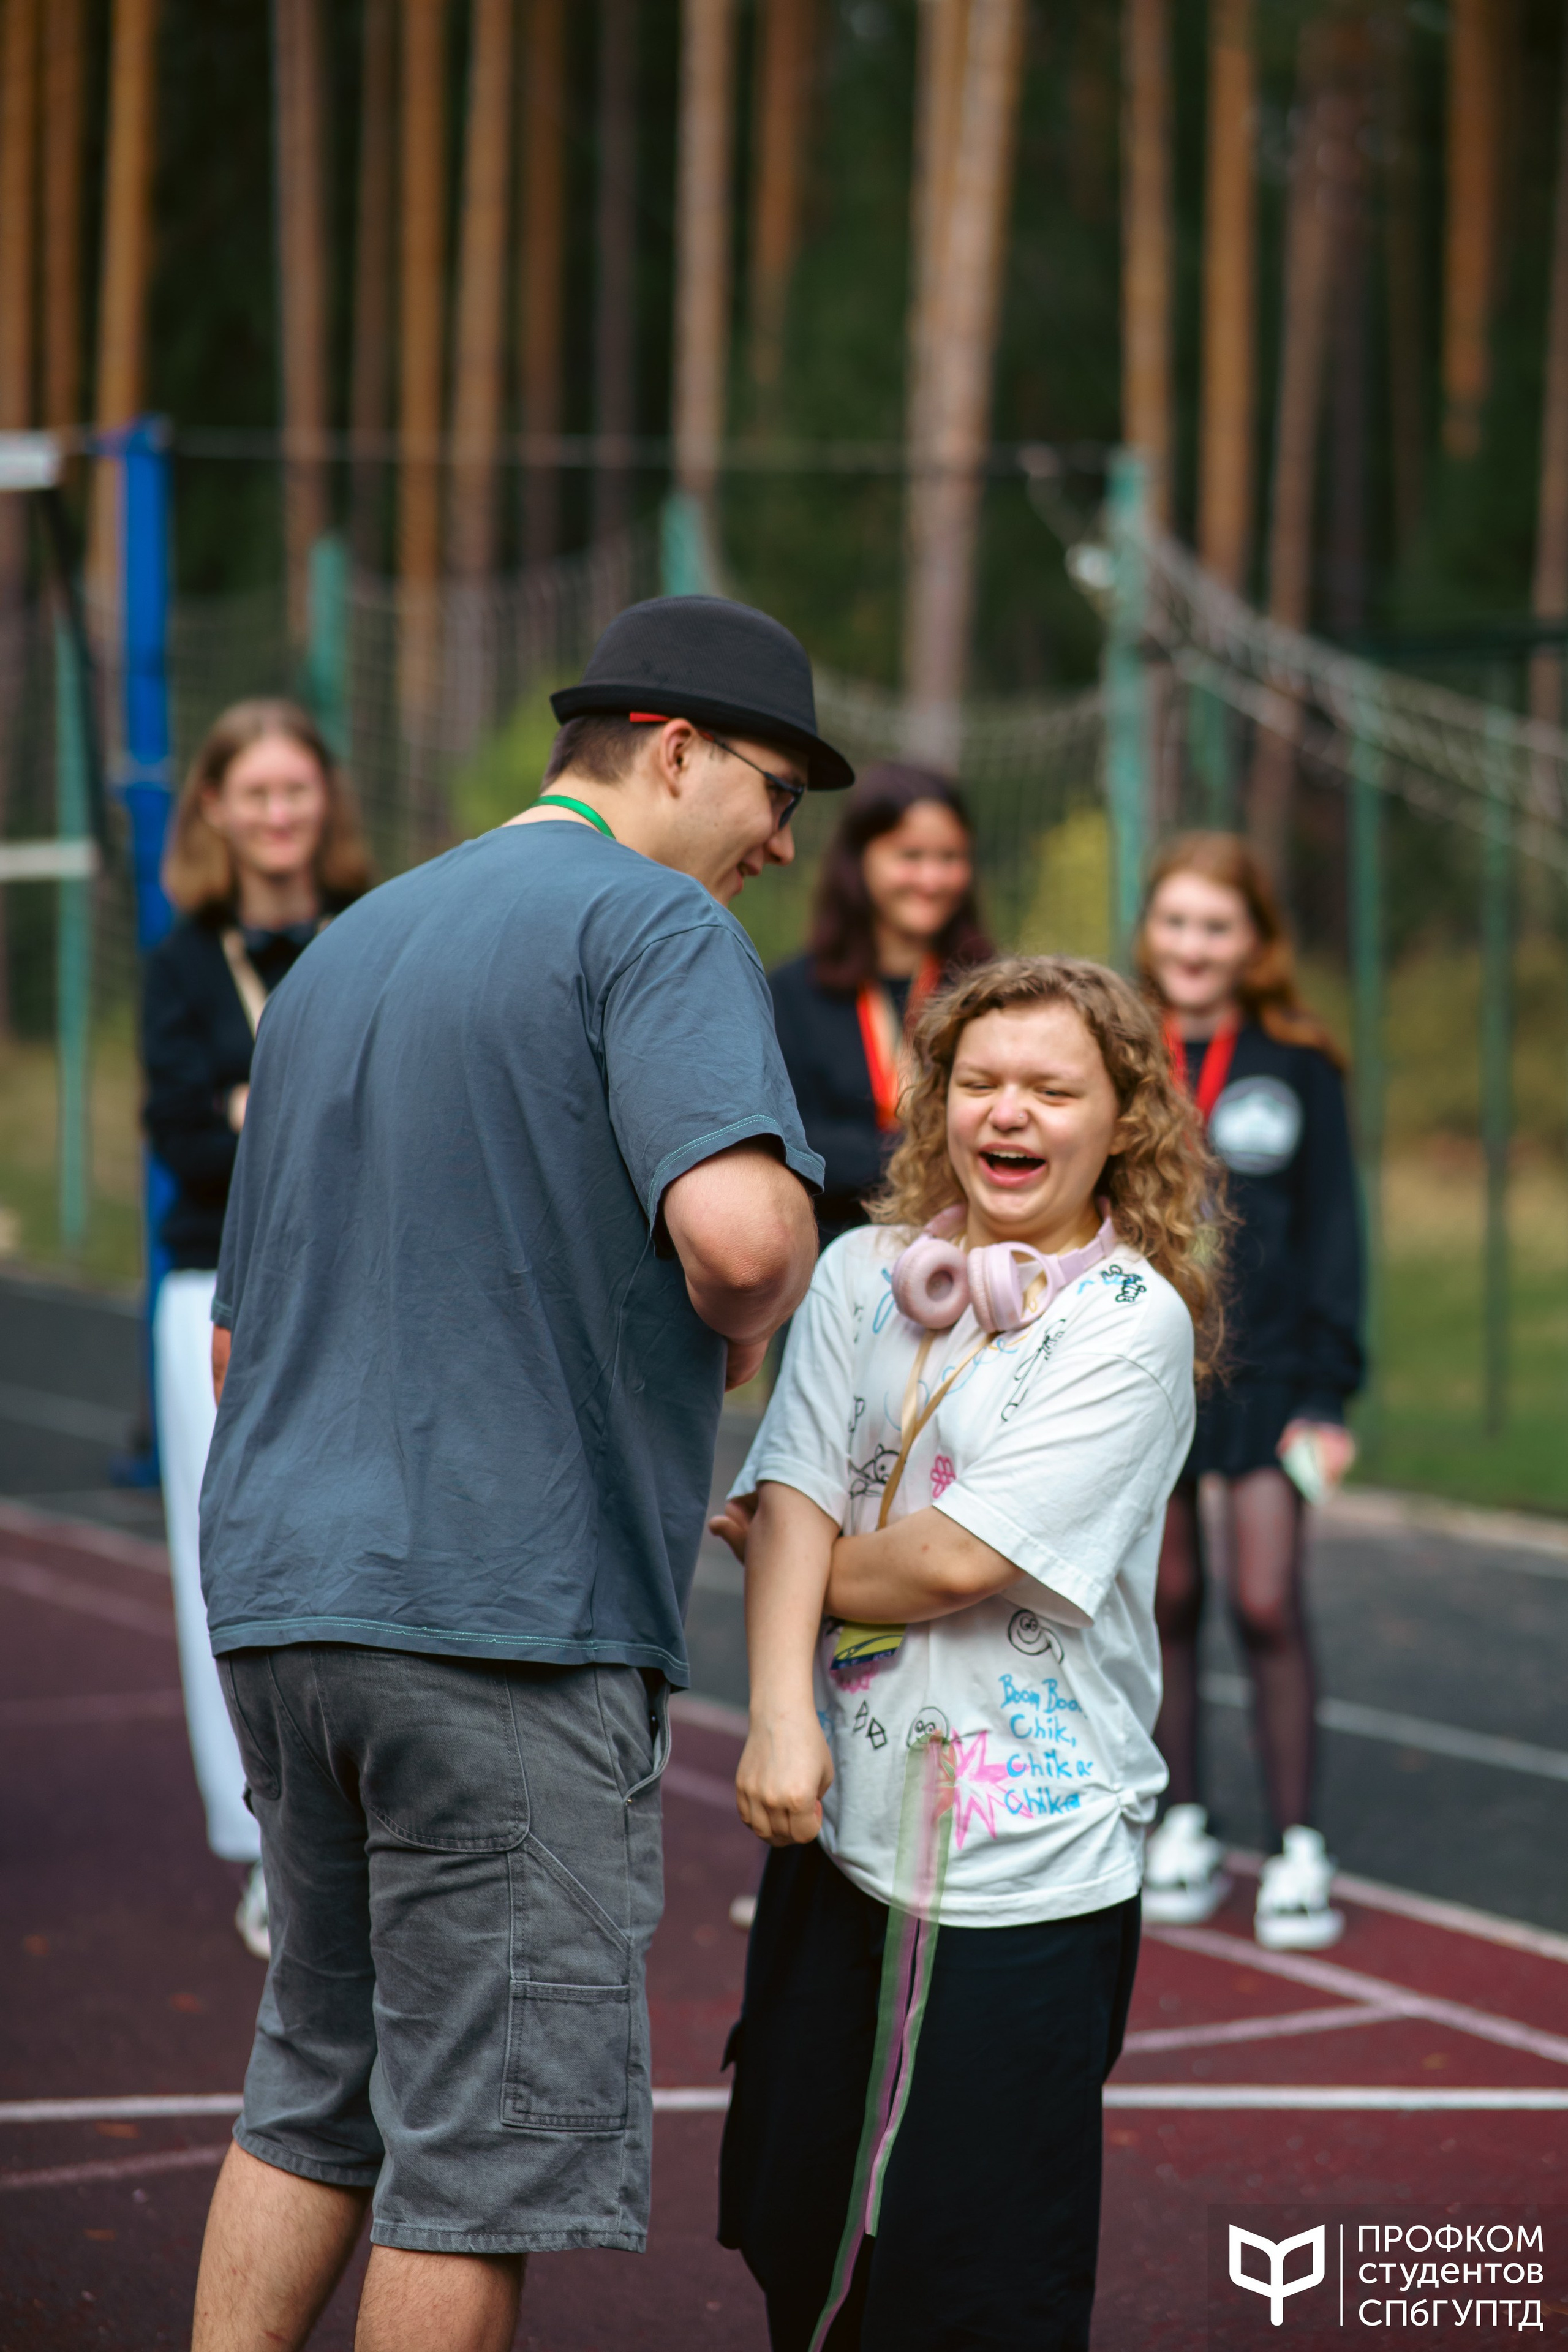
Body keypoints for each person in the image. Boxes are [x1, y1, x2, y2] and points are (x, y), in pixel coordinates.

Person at [188, 595, 843, 2352]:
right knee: (481, 2150)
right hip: (501, 1614)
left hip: (281, 1594)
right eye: (779, 791)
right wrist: (786, 1252)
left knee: (313, 2081)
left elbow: (234, 1347)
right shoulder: (659, 925)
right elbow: (734, 1236)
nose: (785, 845)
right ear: (677, 750)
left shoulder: (347, 944)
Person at [708, 954, 1222, 2352]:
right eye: (976, 1081)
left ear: (1119, 1117)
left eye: (1050, 1087)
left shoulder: (1131, 1324)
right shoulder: (861, 1270)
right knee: (795, 2219)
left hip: (1024, 1872)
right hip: (839, 1836)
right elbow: (799, 1470)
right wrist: (775, 1716)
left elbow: (947, 1560)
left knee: (975, 2275)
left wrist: (775, 1561)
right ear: (935, 1102)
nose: (1008, 1111)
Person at [141, 698, 370, 1960]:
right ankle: (269, 1852)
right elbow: (179, 1136)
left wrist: (252, 1109)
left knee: (360, 1543)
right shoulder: (183, 961)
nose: (280, 814)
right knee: (224, 1562)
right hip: (212, 1289)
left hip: (362, 1282)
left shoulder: (382, 924)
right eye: (256, 792)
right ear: (216, 810)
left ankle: (356, 1826)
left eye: (298, 789)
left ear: (324, 803)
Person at [1135, 832, 1363, 1951]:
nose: (1192, 945)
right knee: (1167, 1597)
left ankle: (1298, 1846)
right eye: (1175, 922)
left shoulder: (1298, 1061)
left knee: (1264, 1600)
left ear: (1255, 942)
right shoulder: (1117, 1050)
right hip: (1145, 1367)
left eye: (1216, 926)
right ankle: (1183, 1819)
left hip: (1271, 1374)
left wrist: (1329, 1391)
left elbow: (1335, 1234)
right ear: (1150, 932)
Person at [768, 764, 992, 1243]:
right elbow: (792, 1140)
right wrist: (930, 1156)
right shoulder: (791, 993)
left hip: (967, 1252)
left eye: (950, 857)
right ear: (860, 858)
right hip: (827, 1256)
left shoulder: (993, 992)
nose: (932, 879)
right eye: (910, 855)